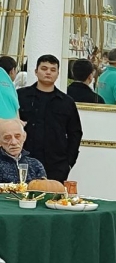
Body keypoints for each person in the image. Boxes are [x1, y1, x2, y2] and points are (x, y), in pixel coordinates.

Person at [17, 55, 83, 183]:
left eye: (53, 70)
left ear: (58, 74)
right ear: (36, 71)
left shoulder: (66, 102)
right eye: (44, 68)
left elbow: (75, 133)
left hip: (56, 164)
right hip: (23, 160)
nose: (48, 72)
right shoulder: (21, 96)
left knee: (52, 195)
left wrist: (69, 163)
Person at [0, 118, 46, 183]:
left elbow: (43, 188)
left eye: (17, 136)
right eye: (7, 138)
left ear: (24, 137)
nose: (14, 142)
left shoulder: (35, 165)